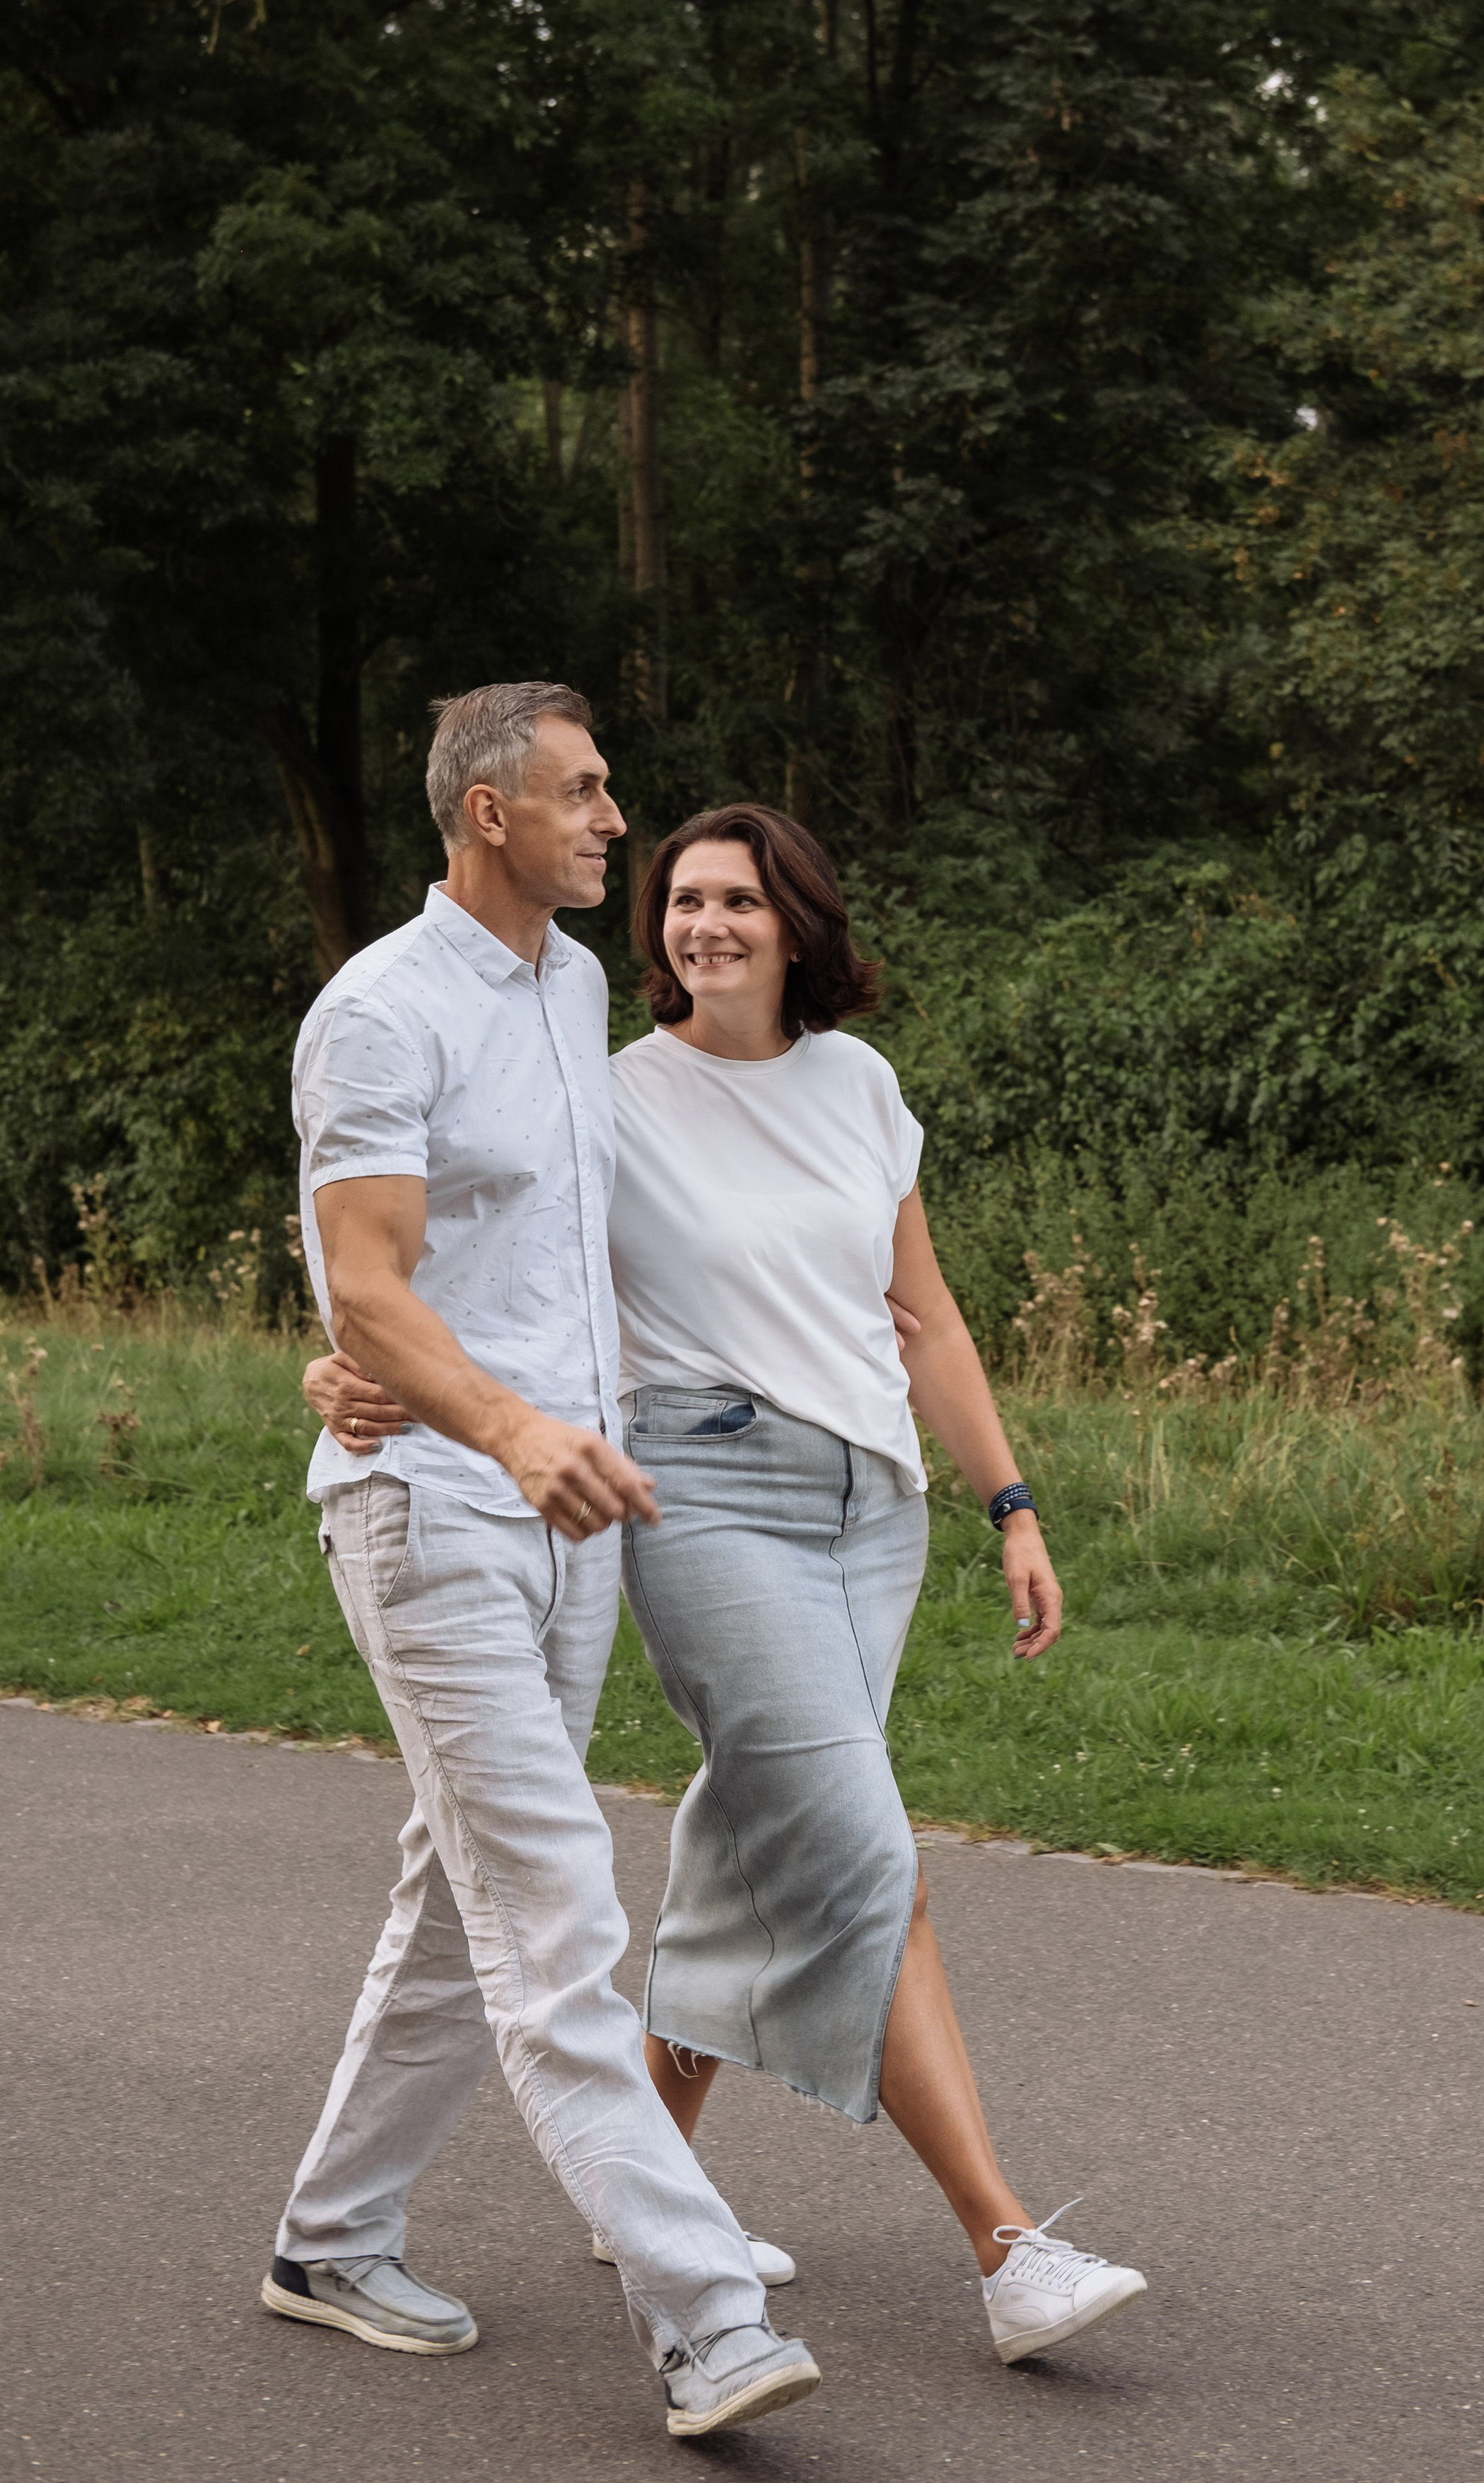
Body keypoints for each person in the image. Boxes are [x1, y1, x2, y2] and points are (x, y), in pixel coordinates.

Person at [310, 800, 1147, 2368]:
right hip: (700, 1492)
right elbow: (483, 1257)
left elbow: (930, 1319)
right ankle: (1005, 2243)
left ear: (795, 923)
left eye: (737, 902)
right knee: (855, 1840)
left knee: (764, 1834)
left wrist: (1009, 1503)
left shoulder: (859, 1085)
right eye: (682, 901)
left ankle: (654, 2171)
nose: (703, 925)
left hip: (868, 1508)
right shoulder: (612, 1093)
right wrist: (360, 1366)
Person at [269, 687, 820, 2442]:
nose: (614, 819)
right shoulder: (378, 1009)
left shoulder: (570, 987)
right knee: (560, 1904)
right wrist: (488, 1420)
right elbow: (369, 1278)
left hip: (571, 1510)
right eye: (582, 794)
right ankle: (704, 2314)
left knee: (468, 1897)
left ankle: (334, 2236)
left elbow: (511, 1261)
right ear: (487, 816)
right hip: (436, 1510)